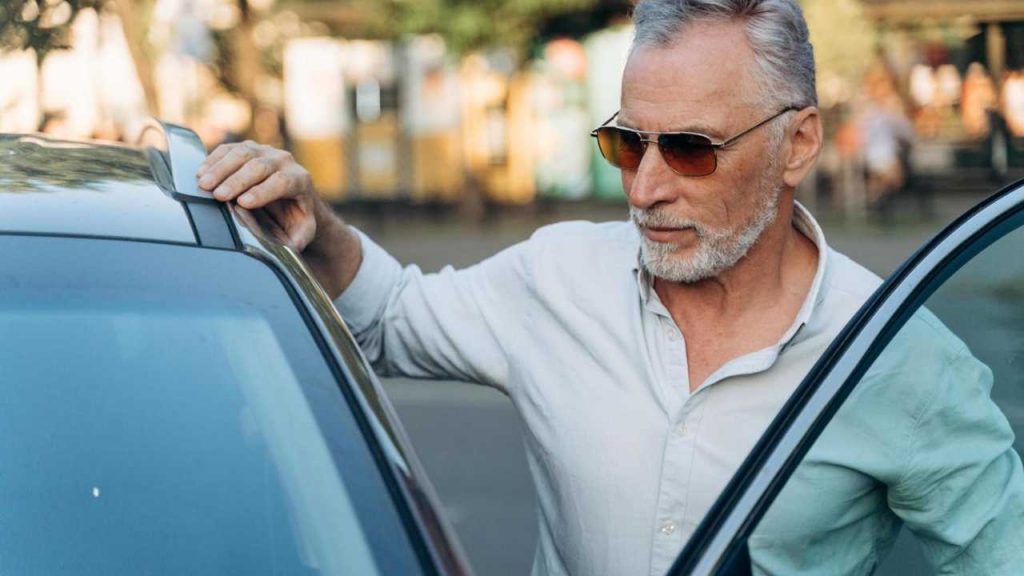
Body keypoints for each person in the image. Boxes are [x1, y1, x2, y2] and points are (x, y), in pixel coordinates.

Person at [196, 1, 1024, 574]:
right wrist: (317, 226)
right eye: (627, 144)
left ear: (798, 144)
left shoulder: (897, 358)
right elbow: (393, 316)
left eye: (692, 148)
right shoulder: (555, 277)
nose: (645, 189)